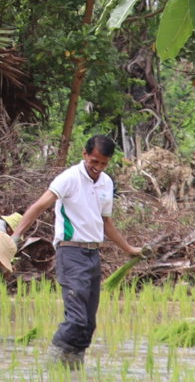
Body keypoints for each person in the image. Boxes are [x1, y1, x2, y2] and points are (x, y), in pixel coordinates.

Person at [17, 134, 143, 366]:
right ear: (85, 155)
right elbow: (39, 205)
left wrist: (129, 249)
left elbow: (106, 223)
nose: (98, 167)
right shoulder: (69, 178)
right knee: (76, 318)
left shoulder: (106, 183)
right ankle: (50, 363)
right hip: (71, 252)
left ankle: (74, 370)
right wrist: (16, 235)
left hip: (93, 254)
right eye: (94, 161)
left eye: (103, 163)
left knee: (88, 323)